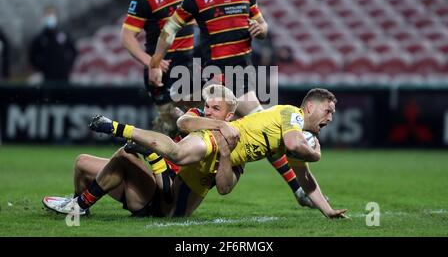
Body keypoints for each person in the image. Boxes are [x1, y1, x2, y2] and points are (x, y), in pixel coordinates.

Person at [147, 0, 308, 206]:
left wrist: (262, 29)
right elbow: (170, 27)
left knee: (264, 131)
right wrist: (156, 61)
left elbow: (264, 27)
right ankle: (164, 168)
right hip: (215, 75)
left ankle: (298, 190)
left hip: (242, 77)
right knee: (199, 125)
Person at [88, 87, 348, 218]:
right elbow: (294, 146)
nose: (330, 117)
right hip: (219, 137)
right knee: (177, 153)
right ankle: (115, 127)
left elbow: (306, 179)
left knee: (174, 216)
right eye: (328, 111)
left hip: (227, 156)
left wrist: (328, 211)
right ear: (310, 107)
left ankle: (153, 158)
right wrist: (316, 154)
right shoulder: (293, 114)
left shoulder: (293, 134)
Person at [42, 85, 241, 218]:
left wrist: (224, 154)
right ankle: (79, 207)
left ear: (230, 115)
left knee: (124, 156)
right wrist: (219, 124)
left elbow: (224, 188)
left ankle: (79, 205)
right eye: (207, 106)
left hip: (166, 202)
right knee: (82, 162)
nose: (208, 112)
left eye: (216, 108)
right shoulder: (197, 117)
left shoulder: (236, 146)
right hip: (151, 186)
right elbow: (184, 122)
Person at [121, 0, 196, 137]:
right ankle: (155, 160)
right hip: (165, 70)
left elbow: (192, 19)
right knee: (172, 127)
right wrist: (151, 63)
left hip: (189, 64)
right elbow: (127, 35)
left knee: (194, 124)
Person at [28, 6, 77, 82]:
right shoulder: (39, 38)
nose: (50, 19)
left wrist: (67, 65)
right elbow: (32, 56)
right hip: (47, 77)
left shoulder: (63, 36)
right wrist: (42, 67)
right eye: (47, 16)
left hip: (64, 77)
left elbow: (74, 52)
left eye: (52, 16)